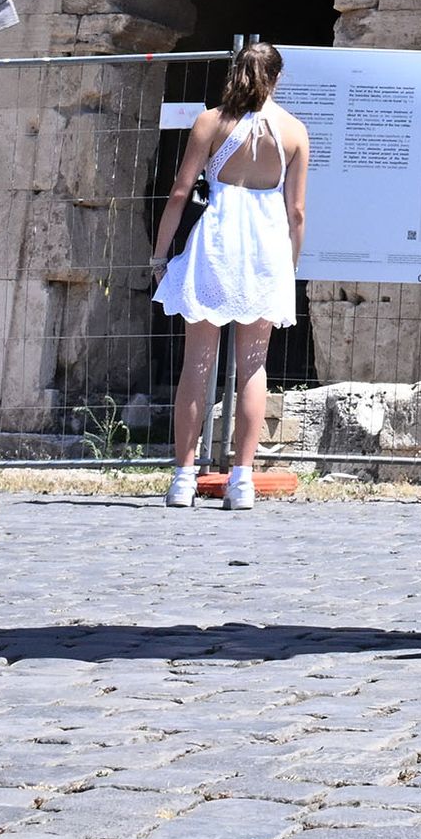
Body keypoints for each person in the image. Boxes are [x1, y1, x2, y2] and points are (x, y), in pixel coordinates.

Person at [151, 39, 309, 511]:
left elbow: (180, 192)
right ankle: (241, 479)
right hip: (265, 250)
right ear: (277, 78)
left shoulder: (210, 121)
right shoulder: (295, 131)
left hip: (217, 243)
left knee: (197, 365)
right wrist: (291, 265)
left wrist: (160, 254)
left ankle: (183, 478)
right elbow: (296, 211)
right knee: (253, 366)